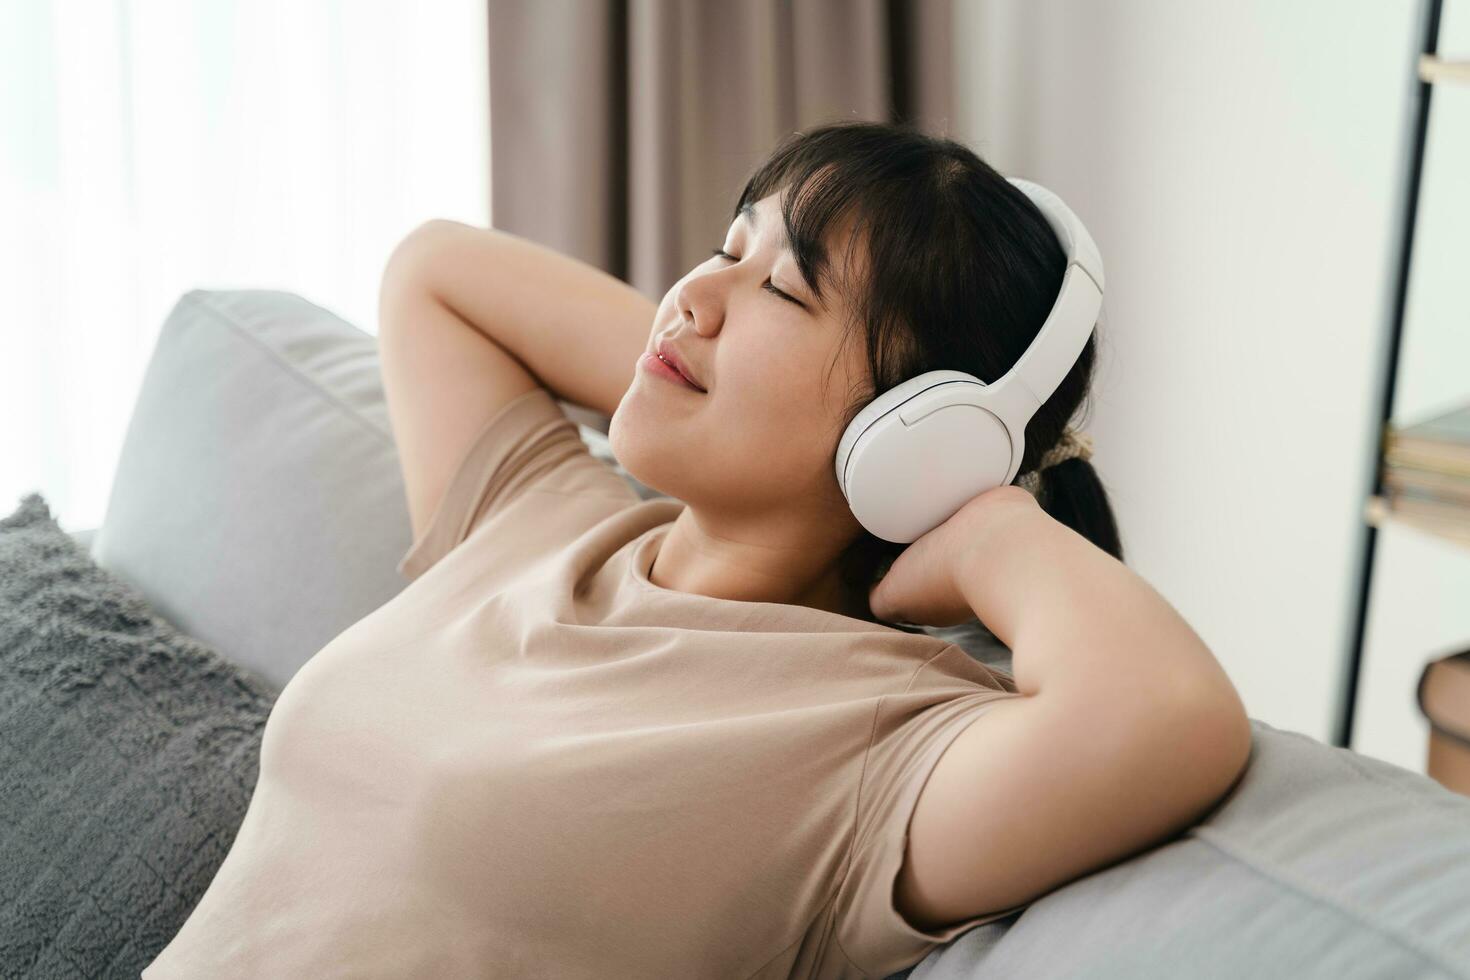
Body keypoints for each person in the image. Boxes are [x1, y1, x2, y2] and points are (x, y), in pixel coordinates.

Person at [142, 120, 1251, 979]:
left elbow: (1169, 715)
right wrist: (694, 350)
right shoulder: (540, 520)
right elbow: (436, 271)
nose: (692, 295)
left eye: (781, 286)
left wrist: (987, 520)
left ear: (919, 430)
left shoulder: (870, 740)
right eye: (727, 245)